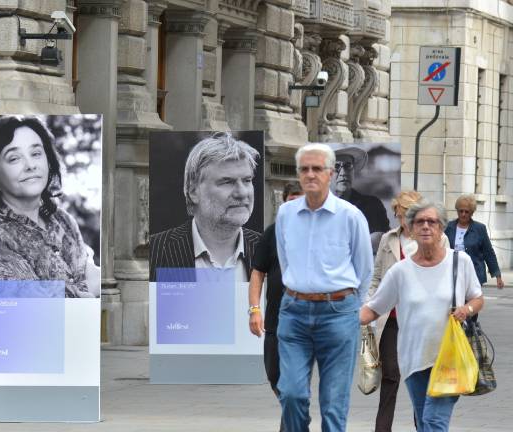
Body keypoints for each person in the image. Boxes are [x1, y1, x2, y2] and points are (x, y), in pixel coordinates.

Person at [361, 200, 484, 432]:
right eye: (420, 222)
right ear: (411, 228)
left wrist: (466, 310)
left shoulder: (459, 262)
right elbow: (373, 308)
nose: (426, 226)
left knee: (433, 421)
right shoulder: (400, 271)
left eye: (432, 222)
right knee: (424, 421)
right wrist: (340, 320)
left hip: (450, 357)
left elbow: (477, 298)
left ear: (441, 228)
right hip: (414, 359)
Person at [274, 143, 373, 432]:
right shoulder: (285, 214)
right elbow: (285, 260)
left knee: (333, 404)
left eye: (317, 168)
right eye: (304, 169)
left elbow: (364, 269)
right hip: (294, 311)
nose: (310, 174)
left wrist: (351, 308)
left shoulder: (350, 216)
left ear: (330, 173)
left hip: (338, 313)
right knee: (291, 394)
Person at [0, 116, 99, 298]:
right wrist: (89, 287)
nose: (30, 165)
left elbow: (92, 274)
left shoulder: (63, 220)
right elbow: (30, 308)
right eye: (14, 158)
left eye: (36, 153)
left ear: (48, 161)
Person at [368, 191, 449, 432]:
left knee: (421, 375)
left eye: (406, 214)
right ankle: (382, 428)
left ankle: (421, 424)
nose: (402, 219)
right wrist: (369, 305)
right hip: (391, 319)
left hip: (423, 321)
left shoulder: (438, 239)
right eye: (399, 214)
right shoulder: (388, 239)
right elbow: (377, 277)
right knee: (391, 375)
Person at [149, 132, 261, 282]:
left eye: (247, 180)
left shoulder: (270, 250)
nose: (242, 193)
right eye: (227, 182)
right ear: (193, 192)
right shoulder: (156, 250)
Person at [248, 181, 303, 431]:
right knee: (274, 375)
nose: (295, 205)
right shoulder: (272, 233)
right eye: (291, 200)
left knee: (293, 382)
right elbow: (257, 272)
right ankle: (293, 413)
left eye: (300, 200)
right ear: (284, 202)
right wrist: (254, 309)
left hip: (303, 322)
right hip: (275, 319)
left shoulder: (315, 234)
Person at [445, 194, 504, 293]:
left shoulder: (479, 229)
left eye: (466, 212)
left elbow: (488, 253)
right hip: (453, 273)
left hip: (474, 274)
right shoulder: (448, 227)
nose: (463, 214)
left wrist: (497, 276)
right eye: (461, 211)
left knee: (472, 301)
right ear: (457, 211)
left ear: (472, 213)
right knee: (455, 301)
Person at [331, 147, 390, 244]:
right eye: (336, 167)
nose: (343, 173)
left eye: (348, 166)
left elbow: (381, 240)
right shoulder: (316, 209)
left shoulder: (372, 205)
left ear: (353, 171)